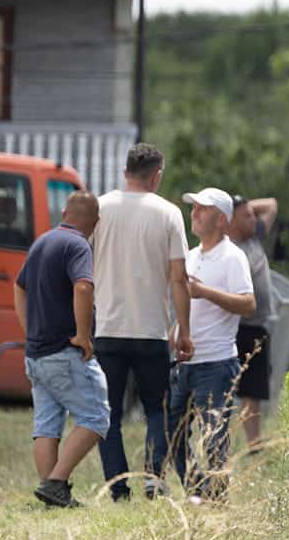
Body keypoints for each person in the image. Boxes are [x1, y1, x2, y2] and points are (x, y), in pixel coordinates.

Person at [91, 143, 195, 501]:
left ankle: (118, 488)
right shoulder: (168, 213)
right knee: (157, 409)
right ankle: (154, 480)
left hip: (107, 327)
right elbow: (179, 278)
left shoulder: (99, 208)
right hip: (151, 329)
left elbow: (81, 265)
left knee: (110, 414)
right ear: (157, 176)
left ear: (125, 173)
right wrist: (184, 329)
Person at [16, 190, 108, 508]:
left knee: (46, 423)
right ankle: (56, 483)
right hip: (63, 352)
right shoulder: (78, 245)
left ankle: (51, 494)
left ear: (66, 211)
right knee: (96, 417)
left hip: (37, 353)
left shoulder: (42, 242)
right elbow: (83, 286)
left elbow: (20, 286)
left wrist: (29, 329)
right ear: (95, 223)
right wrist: (83, 335)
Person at [170, 188, 256, 498]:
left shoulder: (233, 257)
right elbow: (188, 303)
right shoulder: (192, 255)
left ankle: (217, 499)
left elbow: (248, 303)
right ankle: (200, 488)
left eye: (201, 209)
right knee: (171, 431)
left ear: (220, 219)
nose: (193, 214)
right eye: (193, 208)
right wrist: (176, 330)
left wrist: (206, 292)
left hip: (217, 362)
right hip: (187, 362)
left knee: (214, 436)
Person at [228, 194, 280, 449]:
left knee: (253, 390)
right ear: (230, 221)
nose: (254, 219)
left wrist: (243, 207)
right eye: (246, 216)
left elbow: (271, 204)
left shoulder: (254, 237)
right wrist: (232, 210)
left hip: (256, 326)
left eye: (252, 214)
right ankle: (220, 441)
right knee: (228, 389)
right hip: (234, 327)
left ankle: (253, 444)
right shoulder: (226, 249)